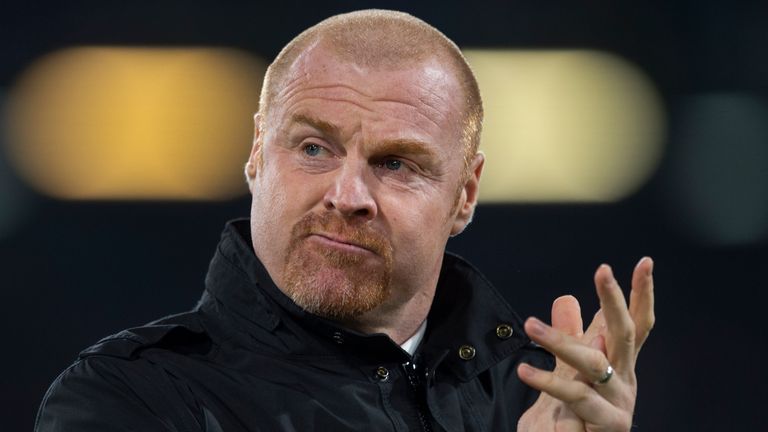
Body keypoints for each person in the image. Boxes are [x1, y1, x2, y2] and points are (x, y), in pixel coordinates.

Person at [35, 9, 655, 432]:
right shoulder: (124, 401)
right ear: (256, 154)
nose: (348, 193)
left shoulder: (538, 401)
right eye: (313, 148)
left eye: (395, 163)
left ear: (465, 195)